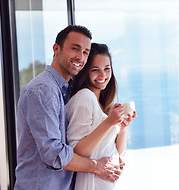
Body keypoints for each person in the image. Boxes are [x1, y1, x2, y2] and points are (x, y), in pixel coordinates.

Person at [15, 25, 122, 190]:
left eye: (85, 52)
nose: (80, 57)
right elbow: (54, 153)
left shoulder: (65, 90)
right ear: (56, 49)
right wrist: (96, 166)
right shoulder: (43, 89)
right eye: (75, 49)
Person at [66, 43, 137, 190]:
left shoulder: (102, 104)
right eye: (95, 70)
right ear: (85, 71)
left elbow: (118, 153)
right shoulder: (84, 97)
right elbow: (77, 151)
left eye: (107, 69)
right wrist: (109, 123)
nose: (103, 75)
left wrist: (123, 129)